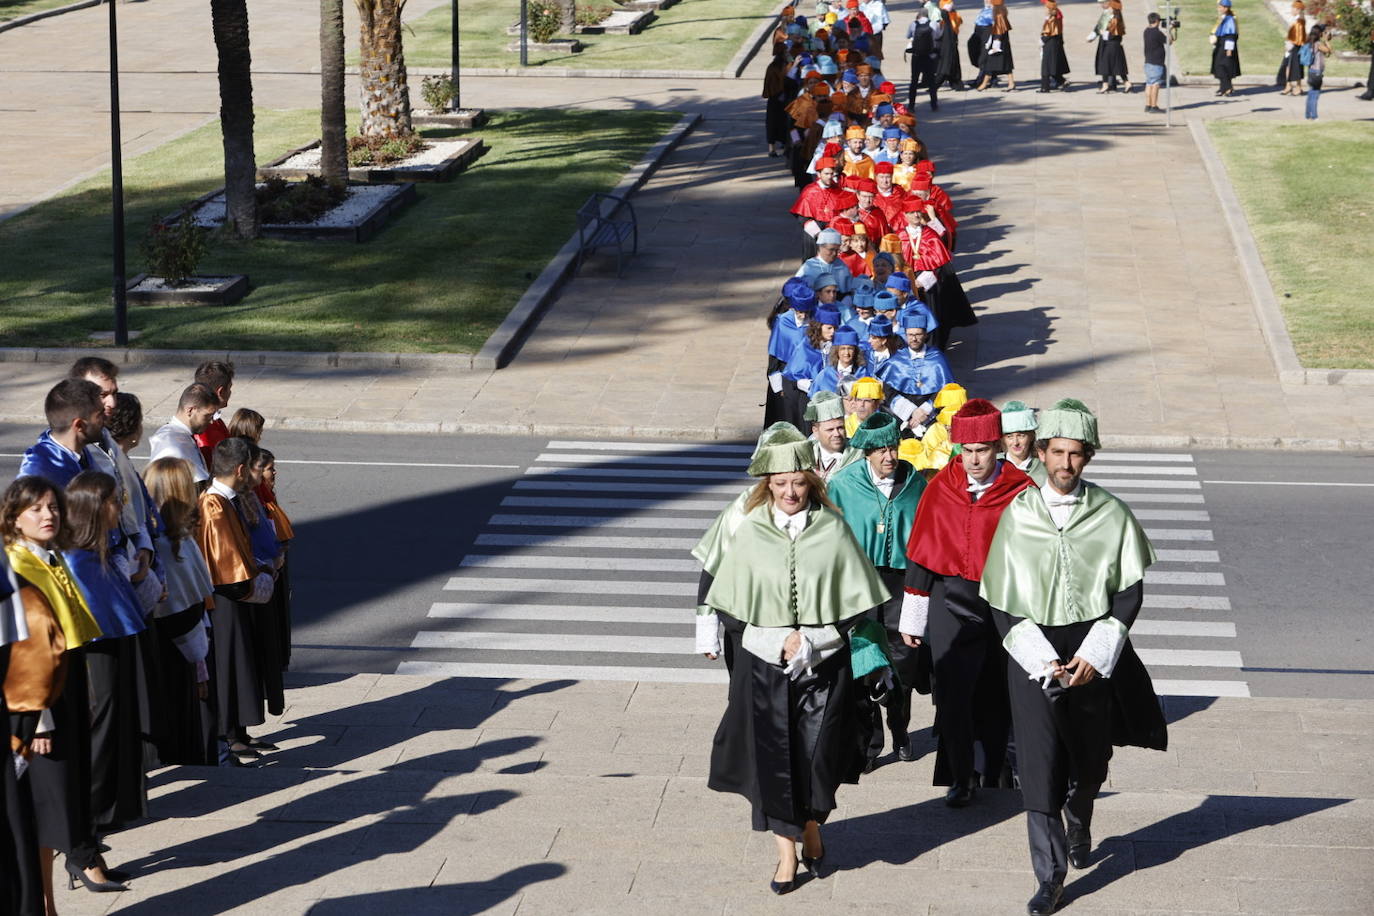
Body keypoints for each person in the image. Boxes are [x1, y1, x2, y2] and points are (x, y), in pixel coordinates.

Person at [979, 399, 1167, 916]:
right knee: (1038, 763)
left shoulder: (1111, 512)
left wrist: (1095, 654)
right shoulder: (1017, 514)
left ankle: (1081, 816)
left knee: (1089, 759)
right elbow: (1000, 598)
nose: (1066, 464)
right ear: (1041, 453)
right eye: (1057, 452)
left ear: (1088, 457)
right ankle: (1050, 876)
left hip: (1091, 649)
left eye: (1076, 454)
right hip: (1032, 650)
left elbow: (1129, 594)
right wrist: (1038, 659)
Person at [696, 423, 889, 894]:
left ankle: (811, 824)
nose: (789, 492)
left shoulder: (833, 527)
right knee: (773, 759)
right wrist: (778, 639)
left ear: (812, 483)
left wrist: (814, 640)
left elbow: (860, 604)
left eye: (798, 482)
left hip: (825, 667)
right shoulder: (748, 528)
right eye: (779, 484)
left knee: (818, 756)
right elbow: (730, 606)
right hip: (764, 667)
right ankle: (786, 852)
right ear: (767, 486)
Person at [898, 399, 1034, 806]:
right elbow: (922, 552)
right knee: (954, 696)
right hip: (950, 601)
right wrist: (913, 616)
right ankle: (961, 777)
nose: (974, 460)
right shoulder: (941, 487)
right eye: (967, 451)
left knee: (997, 694)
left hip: (1002, 606)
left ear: (998, 447)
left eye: (983, 451)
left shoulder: (1023, 491)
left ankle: (996, 773)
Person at [3, 477, 115, 905]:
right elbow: (20, 652)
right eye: (36, 509)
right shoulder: (16, 566)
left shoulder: (47, 557)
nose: (48, 515)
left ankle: (51, 898)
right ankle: (44, 903)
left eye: (52, 507)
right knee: (42, 809)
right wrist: (41, 721)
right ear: (14, 518)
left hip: (60, 691)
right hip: (37, 708)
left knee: (60, 805)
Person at [827, 412, 928, 767]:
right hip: (861, 585)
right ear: (867, 453)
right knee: (864, 662)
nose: (890, 456)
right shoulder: (843, 483)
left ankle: (900, 729)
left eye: (893, 448)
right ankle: (868, 743)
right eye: (882, 450)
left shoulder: (915, 483)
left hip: (903, 586)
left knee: (902, 666)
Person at [61, 472, 151, 836]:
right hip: (97, 653)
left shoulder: (101, 551)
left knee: (117, 725)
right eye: (115, 500)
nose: (121, 506)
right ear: (96, 508)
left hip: (115, 646)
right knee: (102, 727)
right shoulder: (76, 560)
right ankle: (93, 814)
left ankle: (110, 808)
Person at [196, 438, 274, 766]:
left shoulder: (225, 500)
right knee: (226, 666)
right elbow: (223, 561)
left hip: (235, 593)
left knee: (239, 662)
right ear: (240, 470)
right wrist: (258, 579)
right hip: (223, 597)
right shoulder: (213, 505)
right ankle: (227, 735)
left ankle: (237, 731)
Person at [143, 458, 217, 766]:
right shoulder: (172, 544)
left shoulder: (153, 541)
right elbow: (189, 603)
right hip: (180, 648)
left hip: (163, 644)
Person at [18, 379, 105, 488]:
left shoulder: (82, 453)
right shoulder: (37, 471)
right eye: (100, 415)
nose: (105, 418)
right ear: (79, 425)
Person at [148, 384, 221, 485]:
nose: (211, 422)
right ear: (190, 410)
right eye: (207, 416)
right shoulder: (170, 444)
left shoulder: (181, 436)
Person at [804, 390, 861, 480]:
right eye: (830, 430)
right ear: (815, 431)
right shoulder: (806, 454)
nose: (837, 434)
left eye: (840, 428)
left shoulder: (858, 453)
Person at [191, 361, 236, 468]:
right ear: (220, 392)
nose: (230, 392)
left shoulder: (214, 420)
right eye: (229, 388)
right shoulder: (206, 429)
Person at [1002, 400, 1046, 484]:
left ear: (1031, 436)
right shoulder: (995, 466)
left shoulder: (1043, 469)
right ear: (1003, 439)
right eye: (1009, 436)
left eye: (1021, 435)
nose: (1015, 442)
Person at [974, 0, 1015, 91]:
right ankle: (1011, 83)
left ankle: (984, 83)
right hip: (1002, 43)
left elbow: (999, 29)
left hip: (998, 43)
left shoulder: (998, 14)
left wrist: (995, 42)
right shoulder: (1000, 11)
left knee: (990, 64)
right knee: (1006, 64)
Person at [763, 43, 795, 157]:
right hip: (778, 98)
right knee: (775, 123)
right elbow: (784, 81)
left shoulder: (777, 66)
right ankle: (773, 148)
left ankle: (778, 146)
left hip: (779, 99)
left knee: (778, 123)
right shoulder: (777, 67)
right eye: (786, 52)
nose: (788, 54)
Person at [907, 11, 941, 110]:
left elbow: (908, 36)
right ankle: (934, 104)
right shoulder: (933, 23)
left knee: (914, 80)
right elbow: (938, 36)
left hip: (916, 56)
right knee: (931, 81)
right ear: (927, 15)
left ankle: (911, 105)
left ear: (919, 16)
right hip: (929, 56)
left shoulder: (913, 24)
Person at [1095, 0, 1130, 93]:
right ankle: (1126, 83)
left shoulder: (1114, 18)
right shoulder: (1117, 16)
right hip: (1115, 45)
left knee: (1105, 65)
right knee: (1117, 65)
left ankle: (1105, 85)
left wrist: (1102, 32)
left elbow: (1111, 33)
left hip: (1110, 44)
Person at [1211, 0, 1240, 97]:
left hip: (1226, 46)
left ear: (1226, 8)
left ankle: (1228, 88)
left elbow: (1230, 36)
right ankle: (1223, 88)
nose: (1219, 8)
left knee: (1222, 66)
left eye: (1220, 7)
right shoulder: (1224, 17)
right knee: (1220, 66)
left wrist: (1229, 49)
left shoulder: (1230, 19)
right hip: (1220, 44)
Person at [1277, 0, 1307, 95]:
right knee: (1288, 66)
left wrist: (1290, 44)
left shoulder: (1299, 21)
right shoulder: (1297, 20)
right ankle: (1288, 85)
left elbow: (1298, 37)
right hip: (1292, 46)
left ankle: (1298, 87)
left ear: (1298, 9)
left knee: (1295, 67)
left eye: (1293, 8)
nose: (1291, 10)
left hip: (1295, 47)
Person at [1039, 0, 1069, 92]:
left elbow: (1048, 31)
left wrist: (1042, 40)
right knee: (1053, 64)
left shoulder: (1051, 18)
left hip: (1050, 42)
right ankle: (1060, 81)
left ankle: (1045, 86)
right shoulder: (1057, 13)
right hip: (1056, 42)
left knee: (1046, 65)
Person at [1304, 24, 1331, 120]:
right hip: (1317, 72)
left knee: (1311, 93)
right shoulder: (1318, 44)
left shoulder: (1309, 42)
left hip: (1311, 71)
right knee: (1315, 94)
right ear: (1319, 34)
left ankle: (1308, 115)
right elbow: (1329, 50)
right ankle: (1314, 116)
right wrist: (1326, 40)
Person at [1143, 12, 1169, 113]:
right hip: (1156, 63)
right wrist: (1169, 30)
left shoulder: (1146, 31)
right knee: (1155, 85)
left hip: (1148, 62)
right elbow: (1169, 41)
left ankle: (1148, 105)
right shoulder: (1157, 33)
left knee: (1149, 84)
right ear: (1157, 21)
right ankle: (1154, 106)